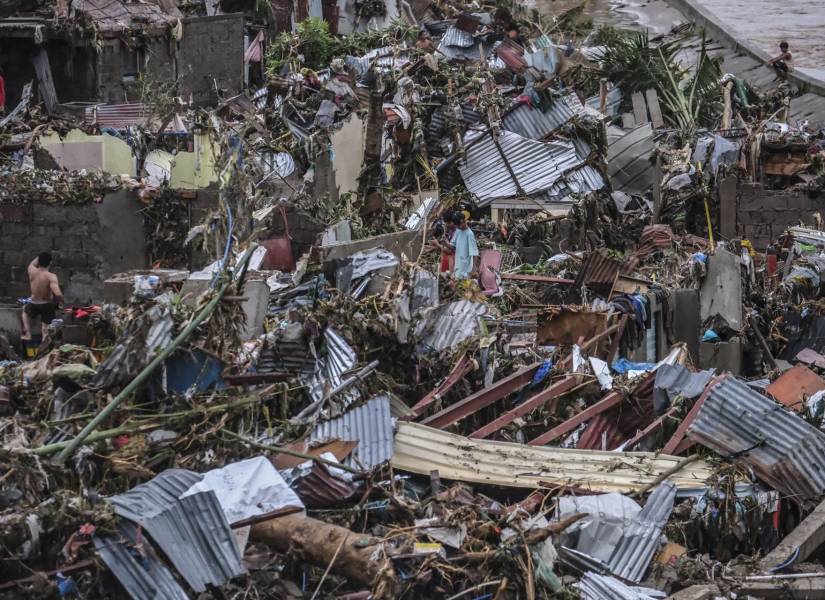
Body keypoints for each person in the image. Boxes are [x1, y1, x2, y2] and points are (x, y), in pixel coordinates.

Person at [21, 252, 63, 340]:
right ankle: (44, 347)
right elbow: (58, 293)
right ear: (50, 262)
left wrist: (39, 257)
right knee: (45, 330)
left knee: (25, 312)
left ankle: (28, 334)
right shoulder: (51, 276)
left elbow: (32, 263)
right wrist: (61, 302)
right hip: (46, 304)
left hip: (33, 303)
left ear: (38, 261)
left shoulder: (31, 270)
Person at [450, 212, 479, 280]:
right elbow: (452, 246)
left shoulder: (469, 234)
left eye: (458, 226)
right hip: (458, 267)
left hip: (466, 270)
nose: (458, 227)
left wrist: (474, 269)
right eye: (457, 226)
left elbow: (475, 253)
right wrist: (444, 242)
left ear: (463, 222)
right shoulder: (458, 231)